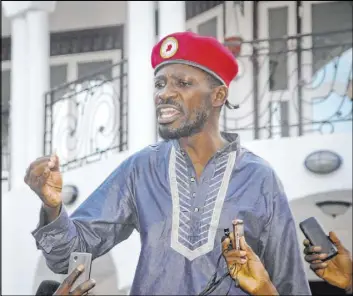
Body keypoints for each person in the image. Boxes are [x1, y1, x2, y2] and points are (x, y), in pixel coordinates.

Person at [26, 31, 311, 295]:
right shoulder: (141, 169)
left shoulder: (260, 178)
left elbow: (290, 284)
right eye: (160, 84)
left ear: (218, 95)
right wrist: (52, 207)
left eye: (182, 83)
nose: (164, 93)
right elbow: (68, 255)